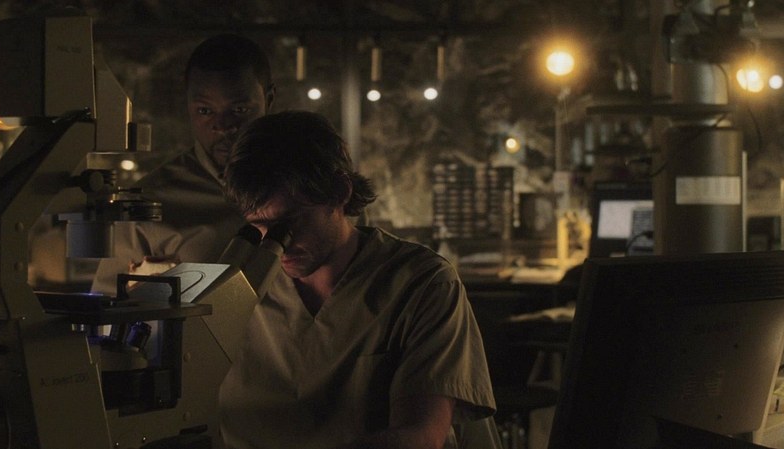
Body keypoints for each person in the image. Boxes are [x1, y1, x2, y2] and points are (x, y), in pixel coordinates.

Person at [219, 110, 499, 449]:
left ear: (339, 191)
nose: (278, 245)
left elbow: (421, 436)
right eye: (259, 228)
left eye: (289, 224)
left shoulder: (422, 284)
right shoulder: (239, 289)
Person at [91, 33, 275, 295]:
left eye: (239, 110)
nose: (222, 126)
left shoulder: (307, 189)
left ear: (269, 100)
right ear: (188, 106)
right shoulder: (148, 204)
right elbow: (108, 305)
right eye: (205, 111)